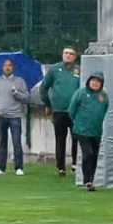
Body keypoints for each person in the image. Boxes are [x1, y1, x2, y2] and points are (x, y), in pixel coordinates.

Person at [37, 47, 82, 178]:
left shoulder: (79, 70)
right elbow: (44, 87)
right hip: (59, 110)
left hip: (76, 111)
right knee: (60, 139)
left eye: (71, 54)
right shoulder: (55, 69)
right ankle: (61, 167)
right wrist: (47, 104)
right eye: (66, 53)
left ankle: (75, 164)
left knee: (77, 137)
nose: (68, 55)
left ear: (75, 57)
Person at [0, 59, 31, 176]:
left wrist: (16, 92)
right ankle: (1, 168)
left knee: (16, 141)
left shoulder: (19, 81)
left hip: (15, 115)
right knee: (2, 141)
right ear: (2, 67)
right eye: (6, 66)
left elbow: (26, 98)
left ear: (13, 67)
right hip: (1, 115)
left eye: (10, 65)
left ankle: (19, 167)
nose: (8, 68)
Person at [68, 73, 109, 192]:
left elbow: (104, 110)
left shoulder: (104, 96)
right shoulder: (81, 93)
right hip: (82, 130)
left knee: (95, 156)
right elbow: (72, 110)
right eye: (93, 80)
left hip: (96, 131)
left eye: (98, 81)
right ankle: (87, 180)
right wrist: (79, 122)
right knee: (88, 153)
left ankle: (91, 179)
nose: (95, 83)